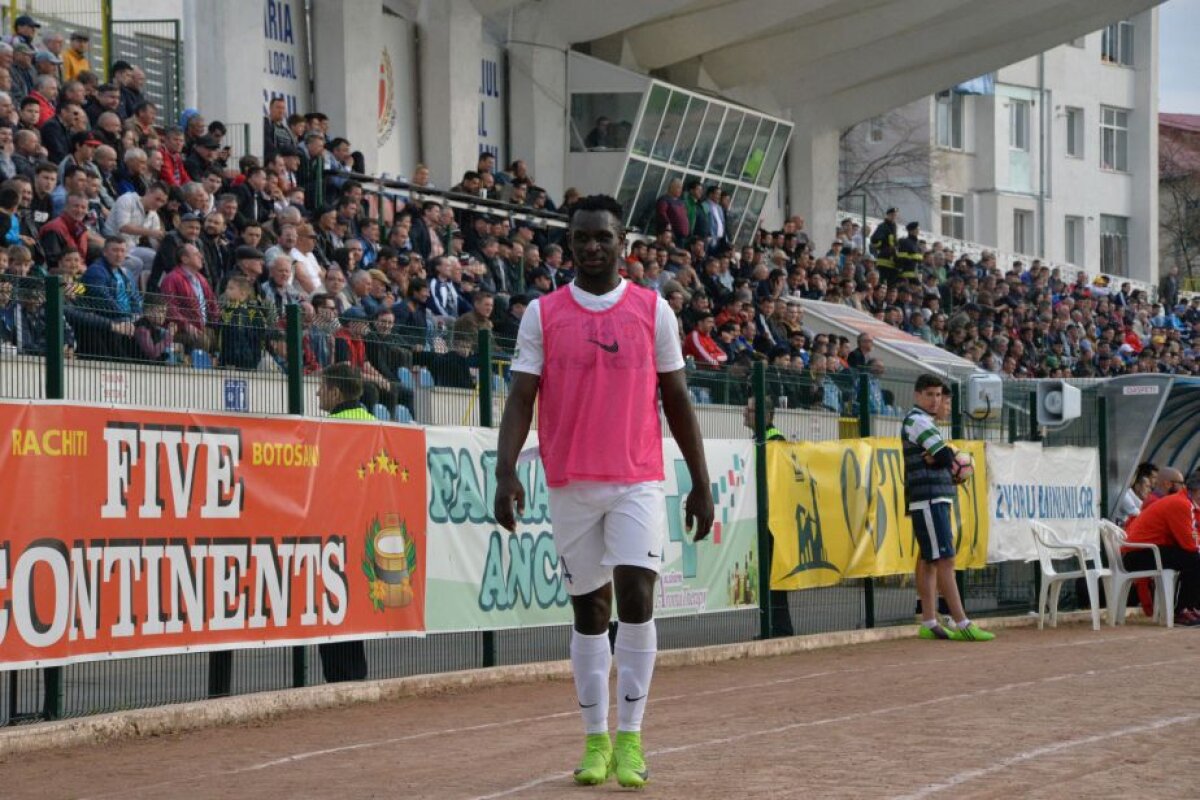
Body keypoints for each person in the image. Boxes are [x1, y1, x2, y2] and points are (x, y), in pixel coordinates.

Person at [494, 194, 714, 789]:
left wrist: (700, 480)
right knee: (589, 609)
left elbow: (676, 399)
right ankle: (595, 741)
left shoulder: (653, 312)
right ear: (570, 245)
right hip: (570, 481)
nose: (593, 246)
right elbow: (520, 397)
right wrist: (504, 470)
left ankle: (632, 740)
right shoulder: (542, 313)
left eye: (604, 237)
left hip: (637, 479)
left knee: (636, 595)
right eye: (583, 238)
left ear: (625, 244)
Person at [902, 373, 993, 641]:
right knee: (945, 559)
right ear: (918, 396)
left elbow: (940, 459)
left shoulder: (924, 422)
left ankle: (930, 622)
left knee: (930, 560)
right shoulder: (918, 421)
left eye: (938, 395)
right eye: (929, 395)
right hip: (929, 498)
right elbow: (943, 457)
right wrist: (947, 454)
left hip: (933, 497)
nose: (935, 400)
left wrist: (943, 457)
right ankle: (962, 622)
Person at [314, 363, 373, 679]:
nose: (318, 392)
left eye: (322, 386)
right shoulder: (377, 425)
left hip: (333, 531)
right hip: (365, 530)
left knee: (332, 610)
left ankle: (340, 680)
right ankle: (355, 676)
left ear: (336, 392)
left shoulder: (326, 431)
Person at [742, 395, 795, 637]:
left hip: (773, 520)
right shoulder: (762, 440)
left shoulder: (775, 442)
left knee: (772, 576)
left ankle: (779, 628)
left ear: (767, 415)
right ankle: (775, 627)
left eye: (750, 410)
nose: (744, 413)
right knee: (765, 576)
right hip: (764, 519)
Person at [1124, 470, 1200, 626]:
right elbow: (1190, 544)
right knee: (1193, 558)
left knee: (1192, 558)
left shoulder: (1185, 502)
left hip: (1145, 551)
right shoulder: (1181, 504)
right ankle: (1180, 610)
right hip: (1138, 555)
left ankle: (1190, 607)